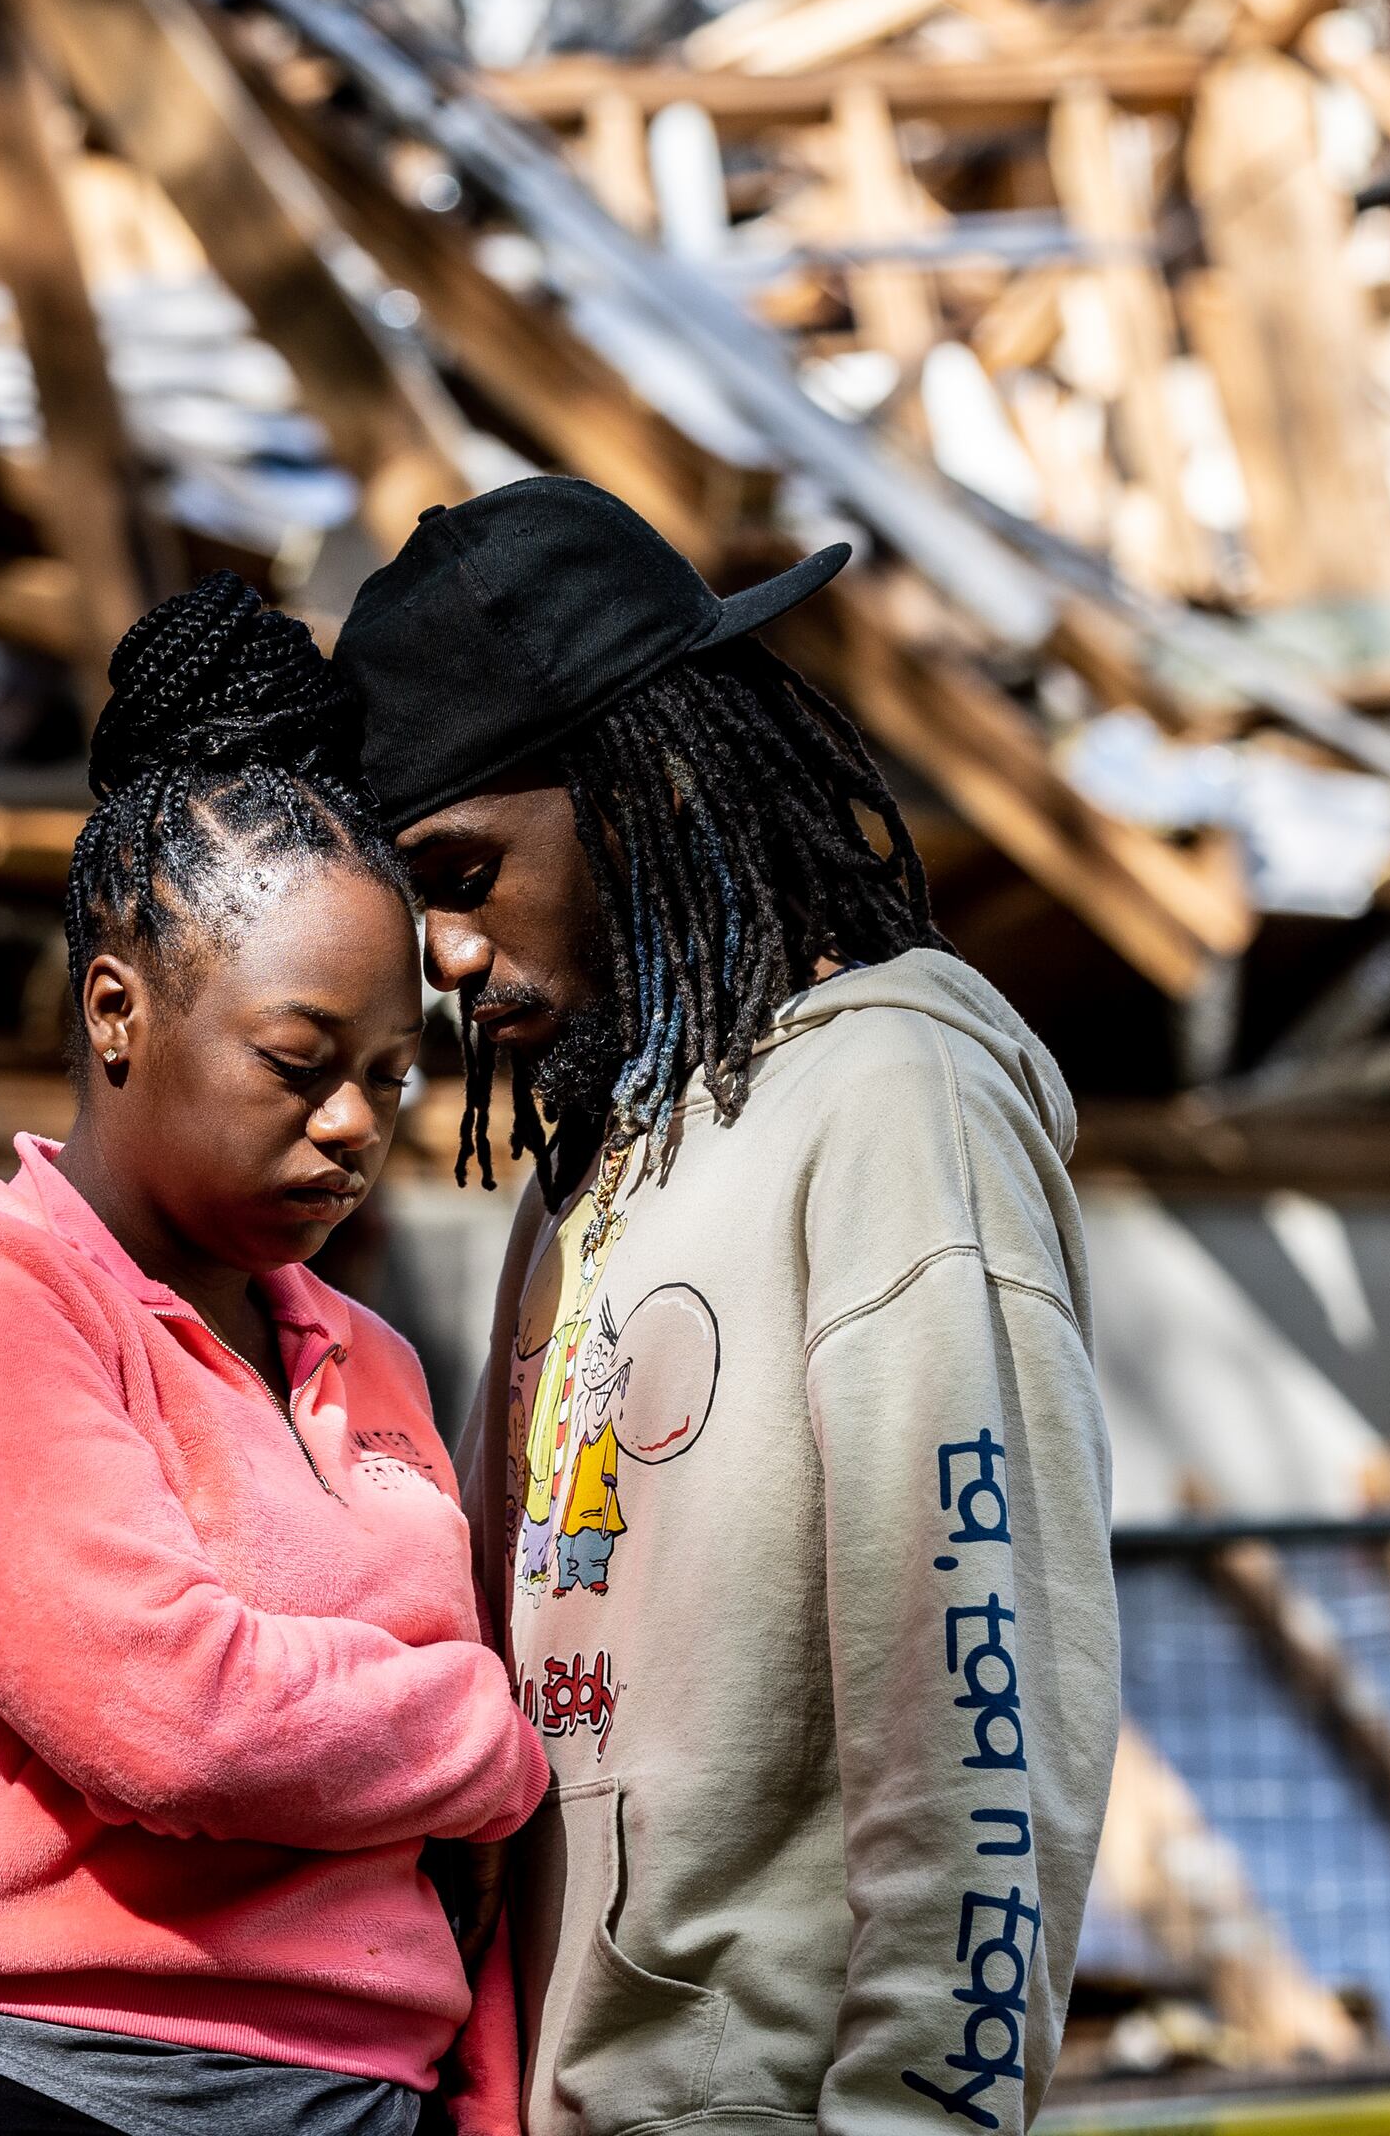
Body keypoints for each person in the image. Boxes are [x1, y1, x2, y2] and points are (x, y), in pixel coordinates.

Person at [334, 477, 1121, 2136]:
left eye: (468, 871)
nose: (450, 957)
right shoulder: (584, 1174)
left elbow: (979, 1735)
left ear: (649, 785)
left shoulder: (898, 1104)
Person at [0, 577, 548, 2136]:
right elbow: (178, 1720)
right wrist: (491, 1728)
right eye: (298, 1062)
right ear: (119, 1012)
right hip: (34, 2088)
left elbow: (444, 1875)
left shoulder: (375, 1361)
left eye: (393, 1080)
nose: (353, 1126)